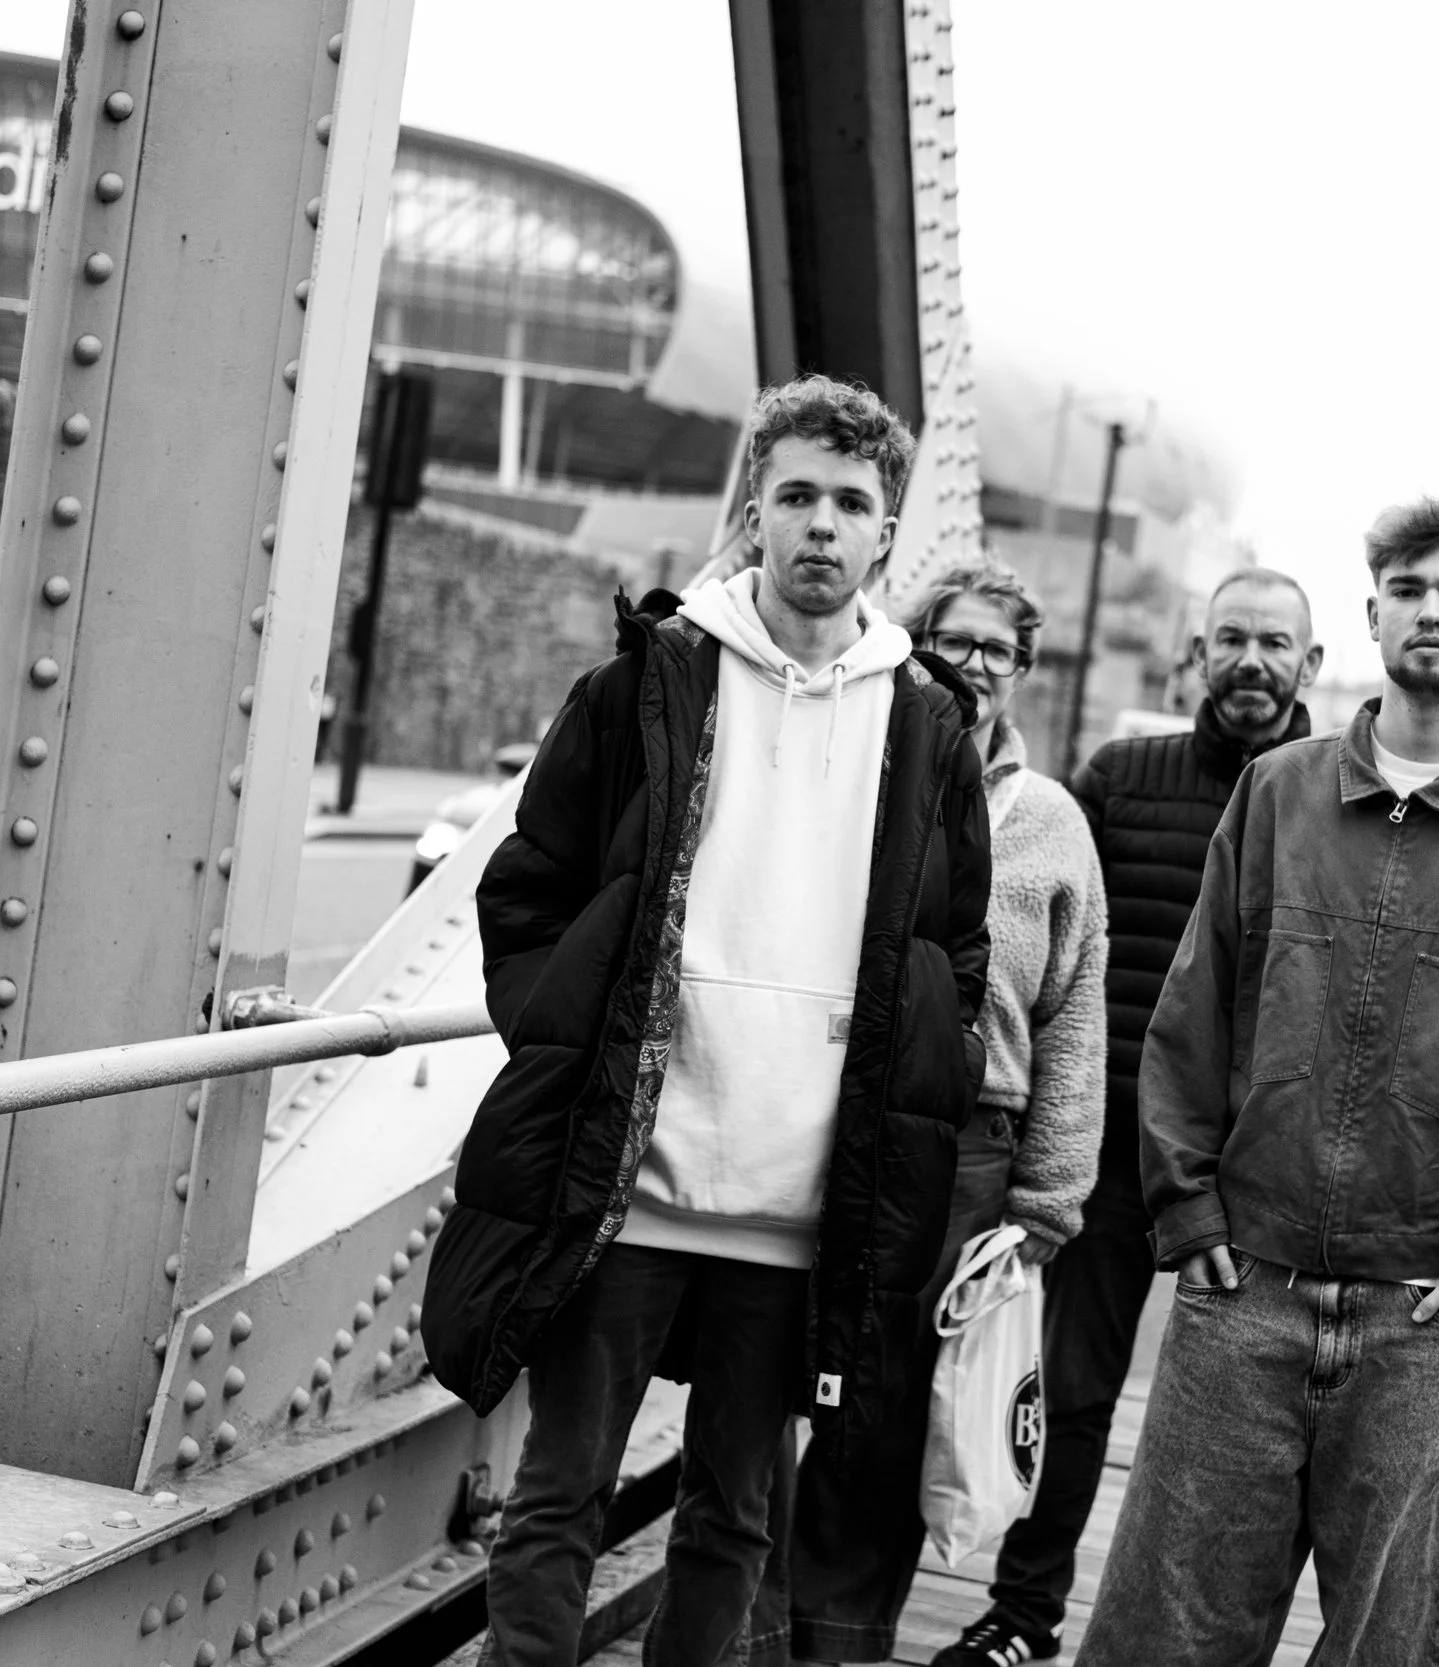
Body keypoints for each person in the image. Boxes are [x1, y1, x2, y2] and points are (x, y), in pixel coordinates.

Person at [420, 375, 992, 1667]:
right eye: (796, 495)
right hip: (631, 1176)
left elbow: (953, 946)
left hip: (802, 1209)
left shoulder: (928, 722)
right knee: (560, 1490)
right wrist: (567, 1037)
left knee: (734, 1513)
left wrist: (922, 1060)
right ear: (753, 509)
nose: (822, 526)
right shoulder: (648, 683)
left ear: (886, 535)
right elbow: (528, 888)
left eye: (852, 503)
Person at [1075, 477, 1439, 1667]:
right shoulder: (1279, 792)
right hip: (1242, 1293)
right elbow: (1195, 1007)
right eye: (1408, 590)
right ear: (1371, 617)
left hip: (1426, 1314)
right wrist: (1185, 1202)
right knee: (1163, 1637)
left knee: (1393, 1647)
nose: (1432, 610)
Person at [932, 565, 1322, 1667]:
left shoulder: (1331, 795)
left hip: (1253, 1165)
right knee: (1071, 1388)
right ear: (1195, 656)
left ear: (1311, 663)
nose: (1251, 660)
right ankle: (1022, 1616)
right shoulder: (1118, 778)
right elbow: (1056, 956)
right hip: (1110, 1144)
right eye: (1230, 638)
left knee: (1235, 1424)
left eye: (1273, 642)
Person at [778, 558, 1109, 1663]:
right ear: (910, 644)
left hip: (970, 1147)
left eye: (998, 650)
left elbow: (1072, 1015)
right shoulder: (844, 775)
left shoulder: (1050, 822)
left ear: (1021, 672)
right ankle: (738, 1620)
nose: (974, 666)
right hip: (815, 1113)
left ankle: (838, 1643)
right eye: (953, 641)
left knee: (891, 1413)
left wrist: (1049, 1198)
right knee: (763, 1371)